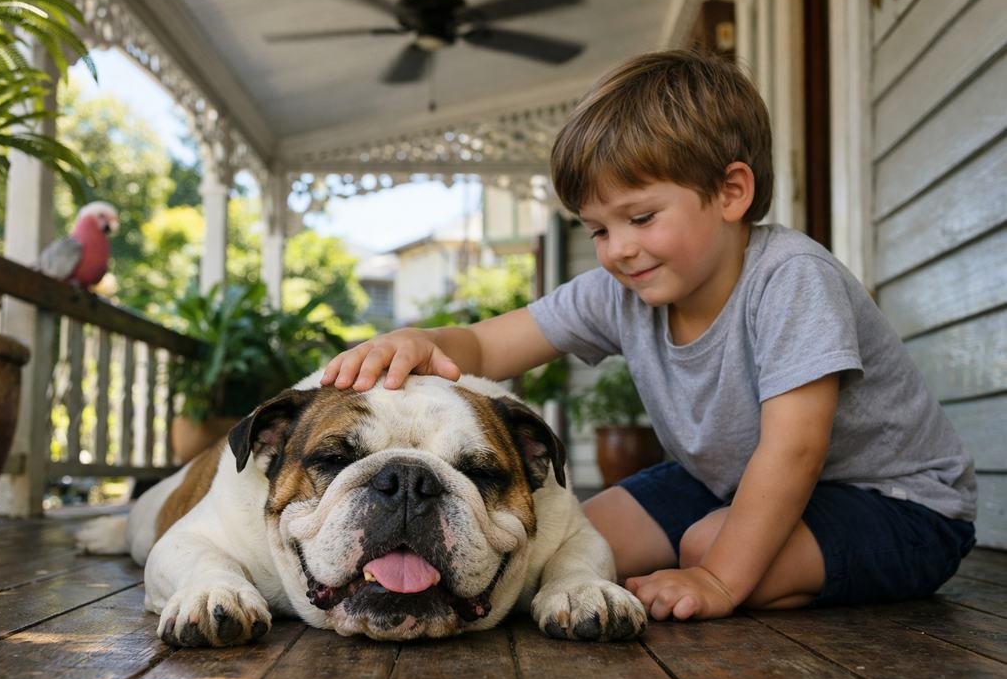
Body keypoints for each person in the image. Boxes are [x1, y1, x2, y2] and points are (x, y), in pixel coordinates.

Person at [320, 49, 977, 621]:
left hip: (900, 507)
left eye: (640, 216)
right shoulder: (625, 289)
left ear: (731, 191)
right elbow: (489, 346)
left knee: (707, 545)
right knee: (568, 539)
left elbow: (795, 451)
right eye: (599, 229)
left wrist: (716, 578)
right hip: (723, 480)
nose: (619, 249)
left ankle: (758, 582)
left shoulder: (793, 279)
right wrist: (416, 339)